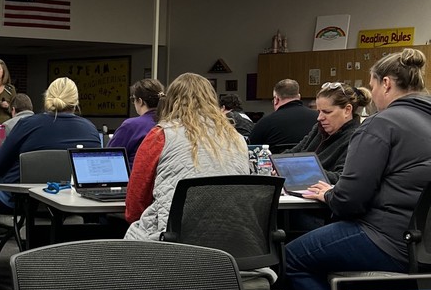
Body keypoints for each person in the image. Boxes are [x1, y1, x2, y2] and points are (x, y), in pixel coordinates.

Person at [284, 49, 431, 290]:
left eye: (373, 85)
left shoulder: (382, 124)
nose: (373, 93)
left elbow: (351, 200)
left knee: (292, 258)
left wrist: (329, 194)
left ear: (386, 83)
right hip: (422, 241)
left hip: (388, 238)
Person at [0, 77, 101, 234]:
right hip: (69, 202)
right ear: (76, 101)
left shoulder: (28, 124)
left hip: (19, 200)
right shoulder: (90, 130)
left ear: (48, 97)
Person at [124, 72, 250, 242]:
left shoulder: (161, 135)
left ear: (171, 101)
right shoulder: (237, 138)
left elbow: (135, 201)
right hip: (232, 236)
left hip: (176, 238)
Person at [287, 82, 371, 184]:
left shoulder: (357, 138)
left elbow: (342, 177)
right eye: (319, 112)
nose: (319, 118)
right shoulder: (319, 129)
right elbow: (293, 153)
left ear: (347, 110)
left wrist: (304, 170)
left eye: (327, 112)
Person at [247, 79, 318, 148]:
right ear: (299, 97)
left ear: (276, 100)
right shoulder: (318, 118)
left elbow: (251, 148)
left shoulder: (265, 122)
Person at [109, 79, 164, 166]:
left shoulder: (131, 126)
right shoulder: (171, 124)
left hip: (134, 177)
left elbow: (109, 156)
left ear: (140, 101)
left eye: (133, 99)